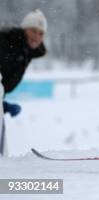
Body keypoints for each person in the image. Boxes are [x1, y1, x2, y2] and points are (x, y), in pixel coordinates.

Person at [0, 9, 48, 155]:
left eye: (41, 33)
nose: (37, 36)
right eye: (33, 30)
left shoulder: (24, 52)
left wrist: (2, 105)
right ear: (24, 29)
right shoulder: (6, 43)